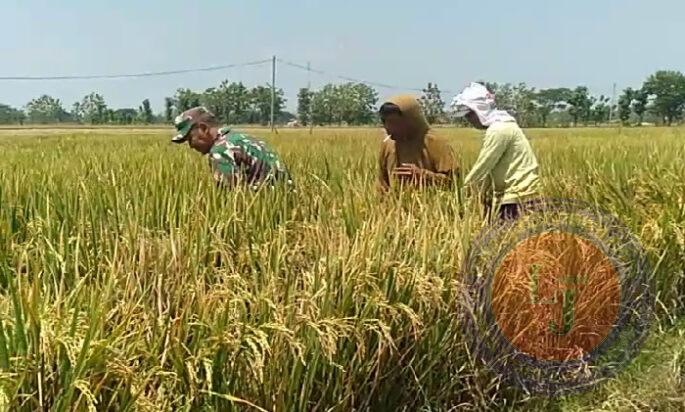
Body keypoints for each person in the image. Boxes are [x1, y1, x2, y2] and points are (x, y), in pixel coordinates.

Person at [451, 82, 540, 221]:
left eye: (470, 115)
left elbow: (483, 166)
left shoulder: (499, 130)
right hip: (511, 195)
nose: (468, 120)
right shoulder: (502, 125)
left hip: (516, 196)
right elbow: (489, 171)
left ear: (479, 110)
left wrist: (462, 193)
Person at [171, 106, 293, 189]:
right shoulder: (243, 138)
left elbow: (233, 197)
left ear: (203, 129)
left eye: (190, 139)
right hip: (285, 201)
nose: (191, 146)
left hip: (266, 209)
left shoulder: (220, 150)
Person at [378, 95, 459, 191]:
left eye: (395, 122)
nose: (388, 128)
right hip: (395, 205)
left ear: (411, 121)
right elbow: (382, 183)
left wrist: (423, 176)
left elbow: (454, 182)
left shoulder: (434, 142)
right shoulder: (388, 144)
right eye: (385, 122)